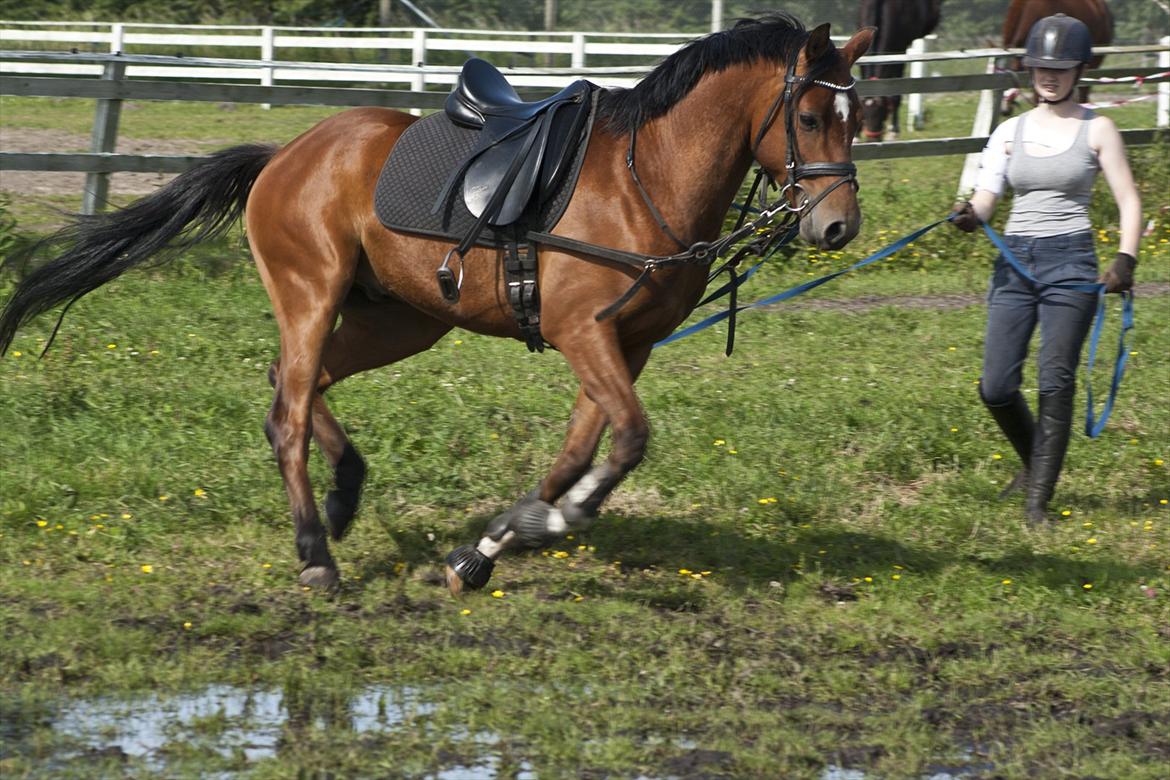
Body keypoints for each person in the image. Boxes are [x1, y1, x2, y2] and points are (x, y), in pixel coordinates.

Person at [950, 13, 1141, 523]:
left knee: (1055, 379)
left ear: (1080, 70)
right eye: (1039, 66)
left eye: (1059, 68)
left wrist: (1125, 257)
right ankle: (1036, 465)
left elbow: (1128, 199)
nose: (1048, 76)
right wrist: (972, 214)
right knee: (996, 386)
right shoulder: (1009, 131)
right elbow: (989, 195)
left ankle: (1038, 506)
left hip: (1072, 261)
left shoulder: (1097, 128)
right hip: (1015, 261)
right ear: (1028, 68)